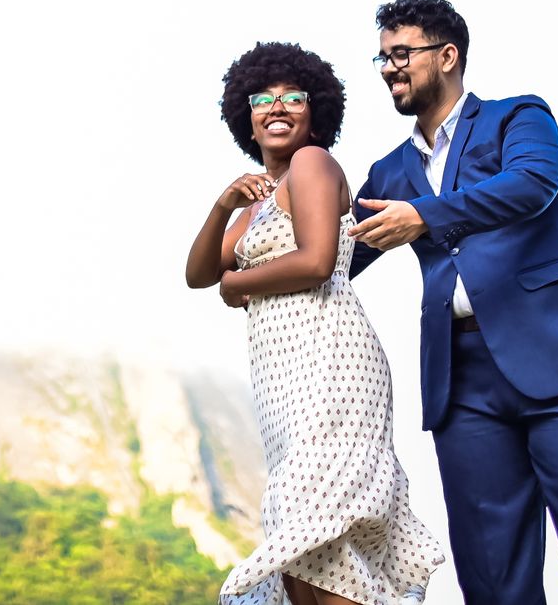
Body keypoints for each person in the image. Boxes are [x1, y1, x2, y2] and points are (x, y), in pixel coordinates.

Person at [347, 0, 558, 605]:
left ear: (447, 56)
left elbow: (531, 184)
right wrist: (255, 222)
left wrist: (423, 215)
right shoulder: (388, 172)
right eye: (382, 56)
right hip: (463, 383)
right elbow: (334, 258)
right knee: (492, 579)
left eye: (402, 53)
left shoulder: (517, 118)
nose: (389, 68)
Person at [185, 41, 443, 605]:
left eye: (293, 97)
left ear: (314, 109)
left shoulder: (312, 163)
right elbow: (199, 274)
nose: (277, 107)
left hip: (330, 361)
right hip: (282, 382)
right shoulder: (255, 203)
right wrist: (224, 204)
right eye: (263, 98)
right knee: (304, 552)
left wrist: (239, 285)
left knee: (318, 529)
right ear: (245, 116)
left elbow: (317, 259)